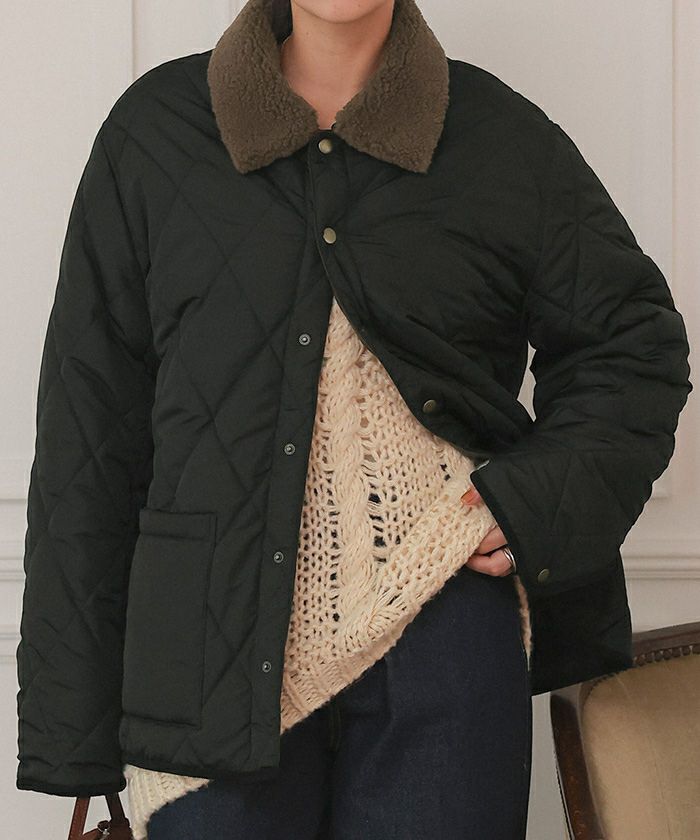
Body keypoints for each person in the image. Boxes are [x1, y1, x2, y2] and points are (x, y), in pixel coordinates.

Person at [15, 0, 692, 838]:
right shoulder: (154, 134)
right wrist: (71, 729)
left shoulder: (502, 137)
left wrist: (532, 505)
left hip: (447, 642)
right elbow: (90, 432)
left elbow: (633, 348)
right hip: (205, 660)